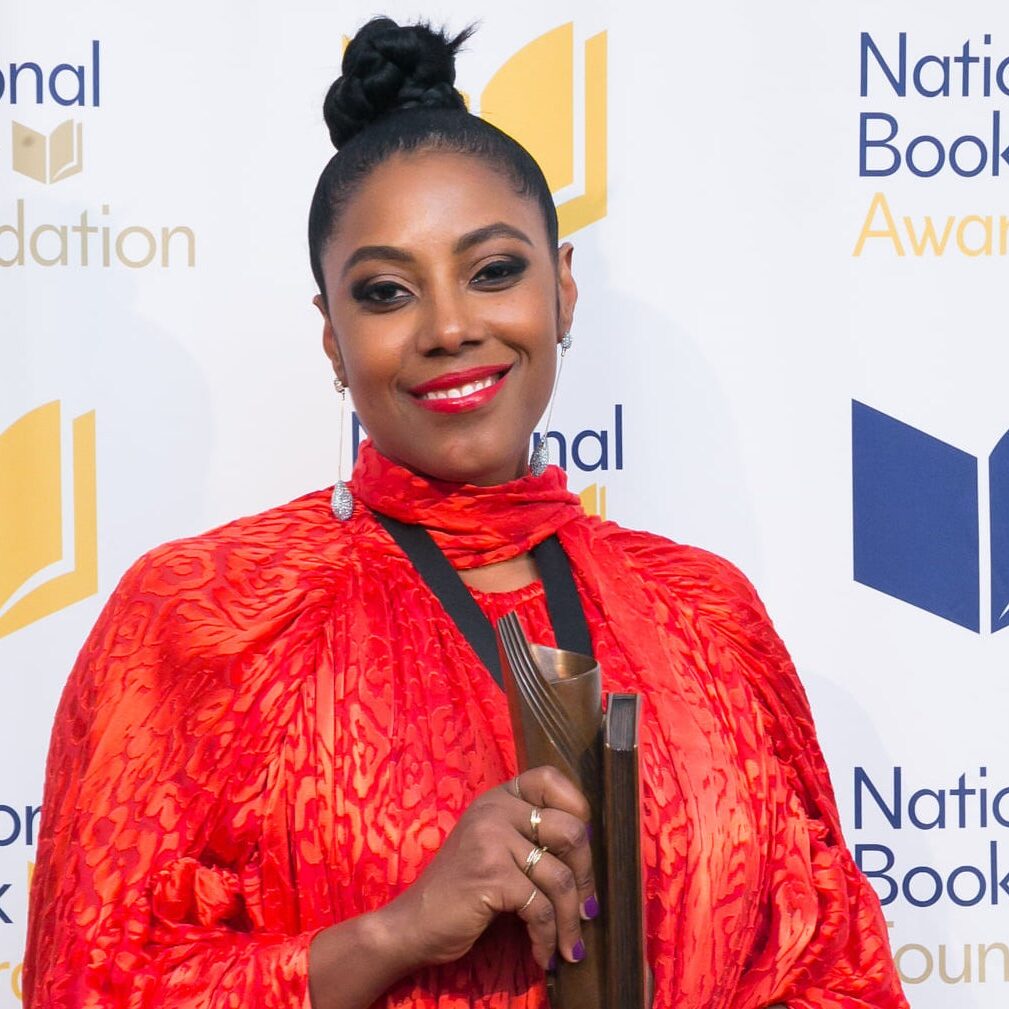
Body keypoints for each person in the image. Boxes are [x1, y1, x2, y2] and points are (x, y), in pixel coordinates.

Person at [24, 17, 909, 1009]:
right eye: (387, 291)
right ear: (330, 334)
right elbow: (89, 984)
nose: (450, 326)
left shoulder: (705, 615)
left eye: (494, 271)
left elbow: (831, 970)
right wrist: (392, 932)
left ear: (562, 290)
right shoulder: (206, 614)